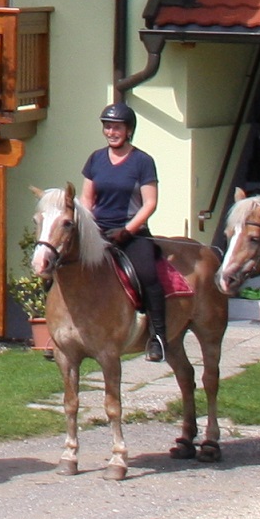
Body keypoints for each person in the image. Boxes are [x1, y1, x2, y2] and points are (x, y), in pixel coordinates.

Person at [81, 103, 167, 361]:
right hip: (99, 231)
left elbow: (150, 203)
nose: (111, 132)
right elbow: (87, 199)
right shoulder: (95, 159)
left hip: (132, 232)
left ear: (129, 130)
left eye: (117, 127)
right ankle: (60, 331)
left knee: (147, 275)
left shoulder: (143, 162)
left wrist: (127, 232)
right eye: (107, 127)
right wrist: (89, 228)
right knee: (64, 266)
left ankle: (158, 337)